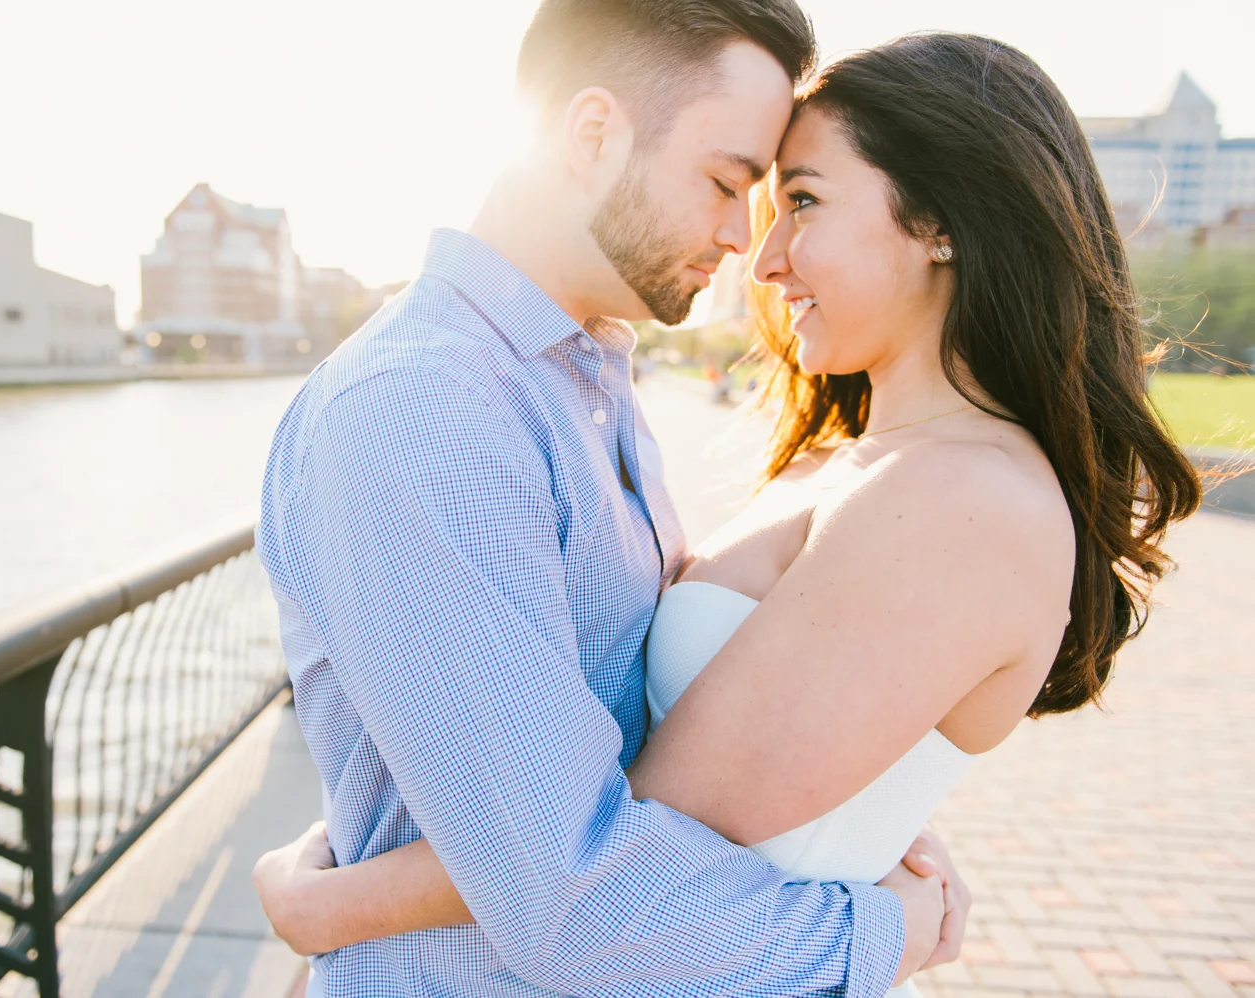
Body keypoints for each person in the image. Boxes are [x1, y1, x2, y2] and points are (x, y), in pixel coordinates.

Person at [254, 26, 1203, 998]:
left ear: (941, 222)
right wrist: (866, 856)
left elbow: (596, 867)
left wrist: (328, 902)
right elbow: (608, 821)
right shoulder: (824, 452)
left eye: (799, 200)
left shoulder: (963, 496)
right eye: (738, 188)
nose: (759, 252)